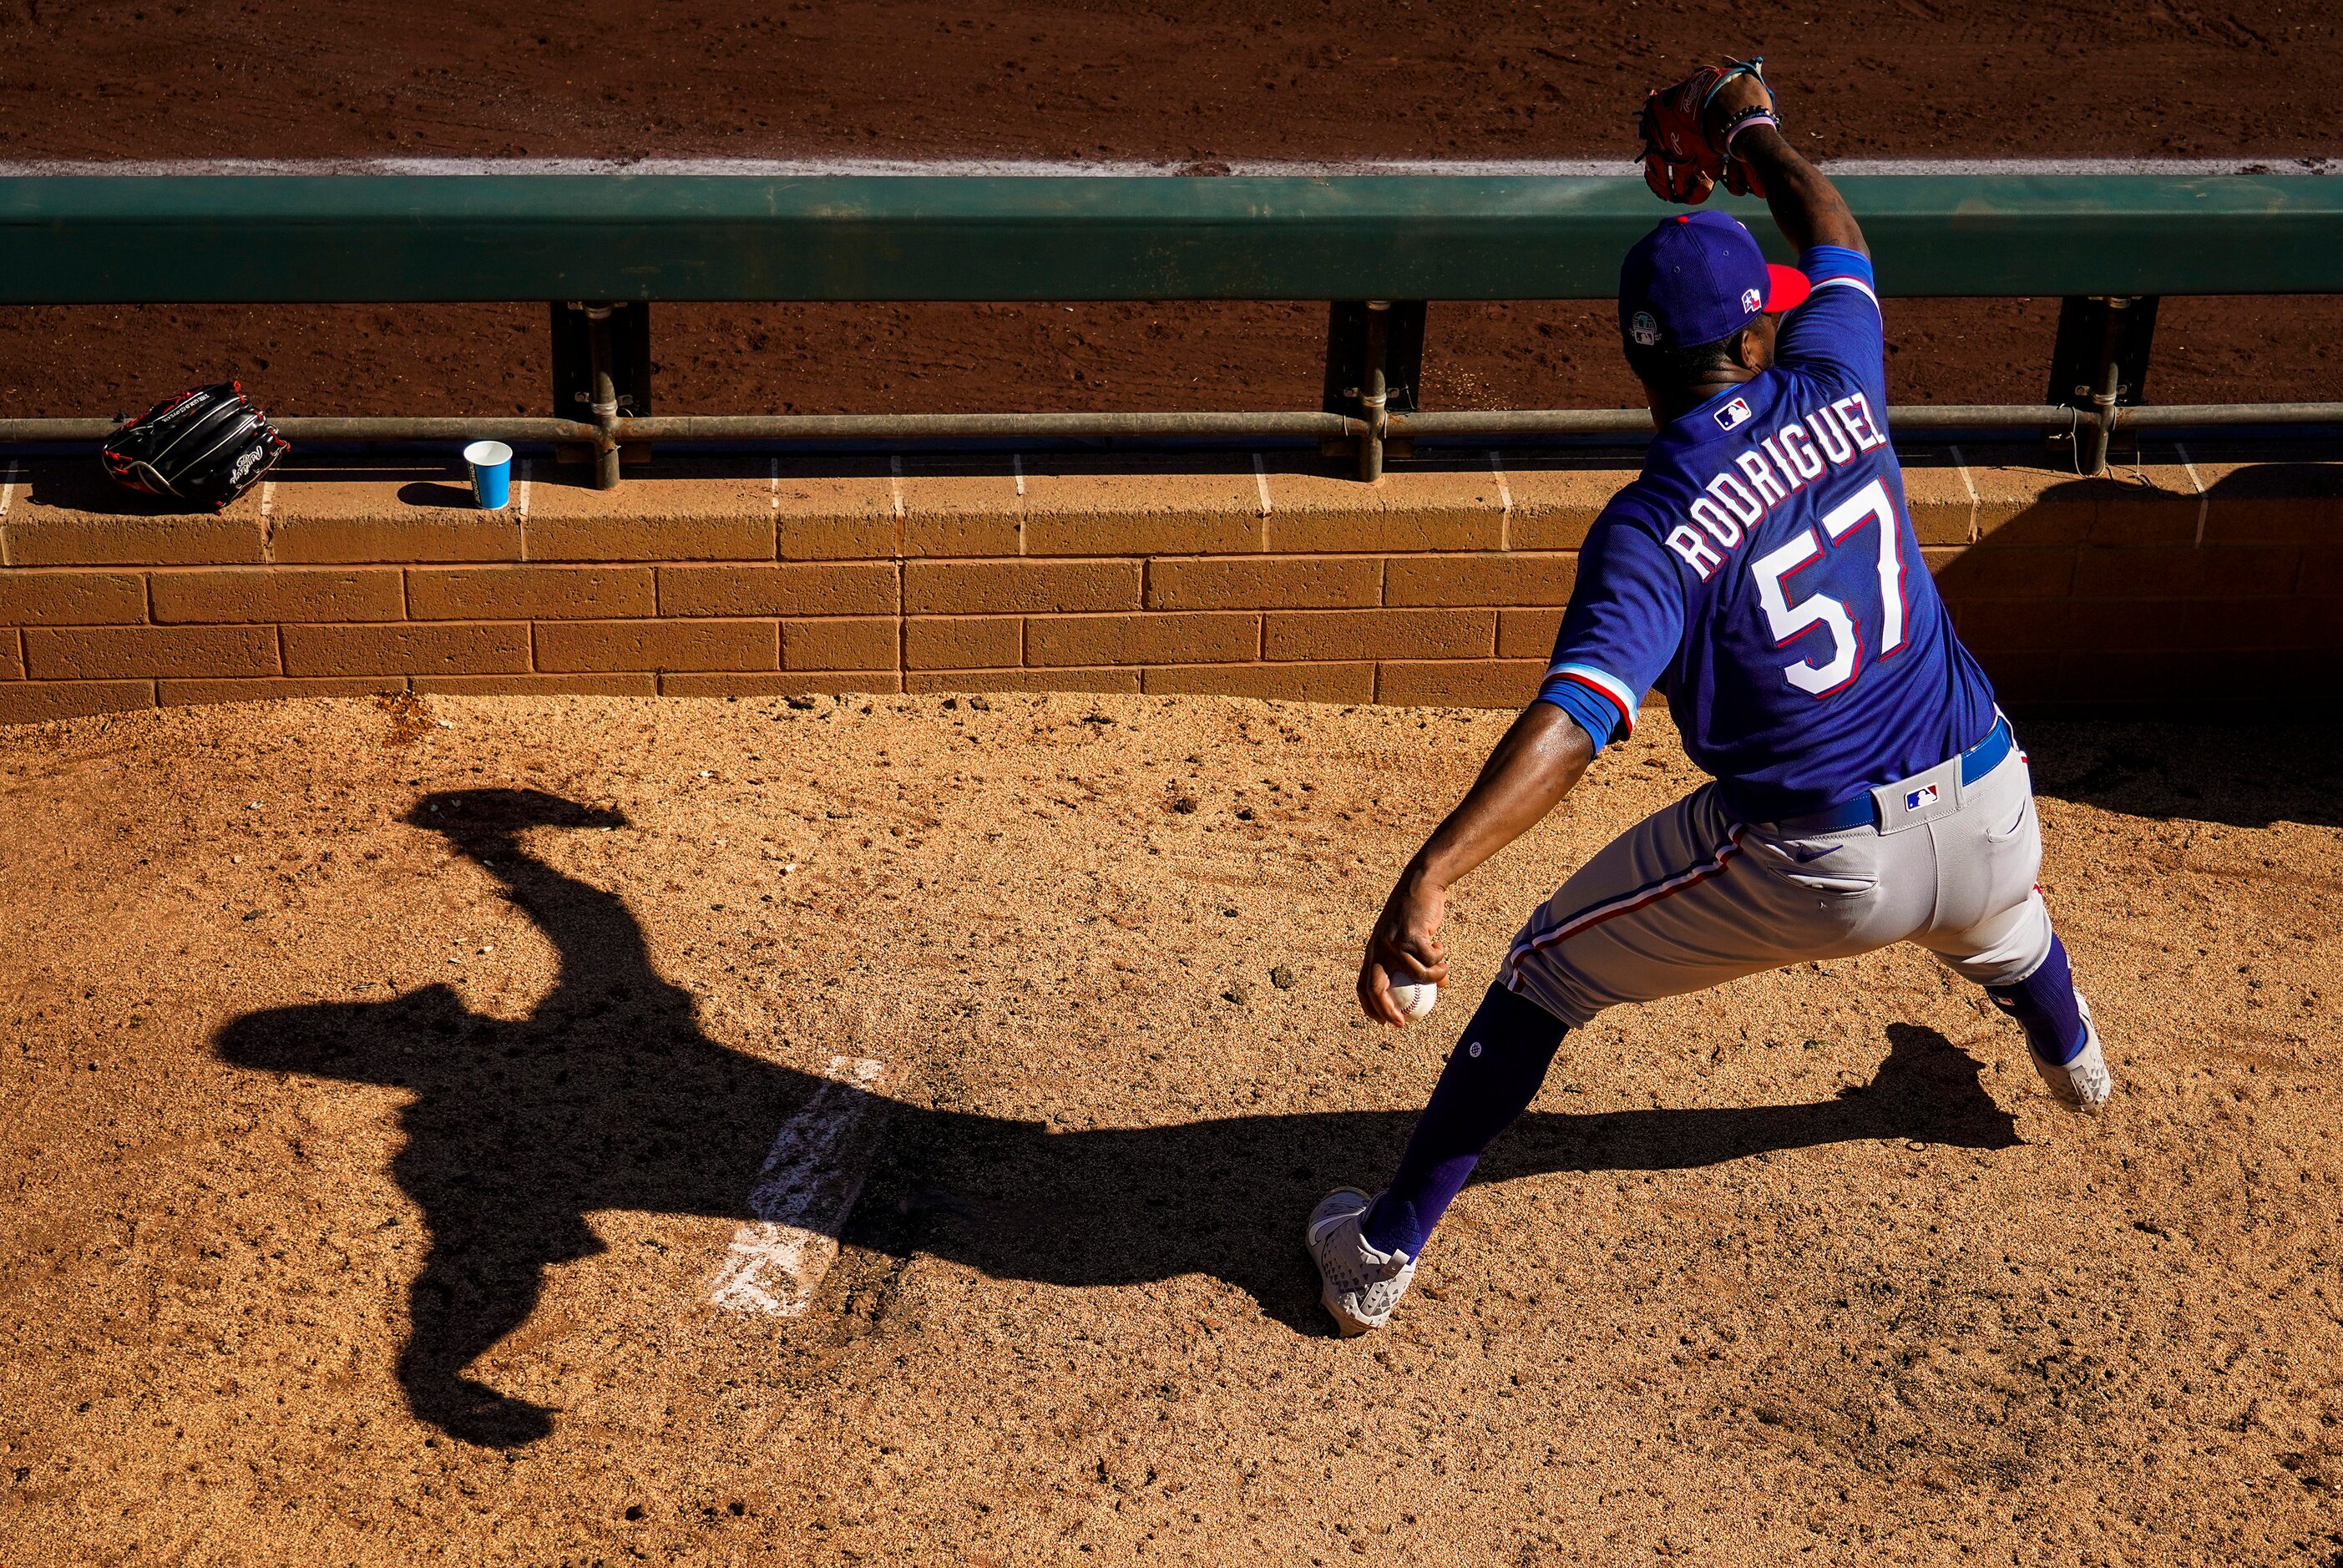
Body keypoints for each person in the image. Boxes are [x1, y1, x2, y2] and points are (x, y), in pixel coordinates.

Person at [1305, 64, 2113, 1338]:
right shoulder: (1836, 377)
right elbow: (1831, 233)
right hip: (1997, 795)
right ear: (1753, 339)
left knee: (1538, 976)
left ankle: (1376, 1253)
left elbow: (1574, 722)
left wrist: (1436, 867)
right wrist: (1751, 129)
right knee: (1990, 905)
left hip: (1824, 866)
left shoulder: (1651, 528)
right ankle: (2074, 1058)